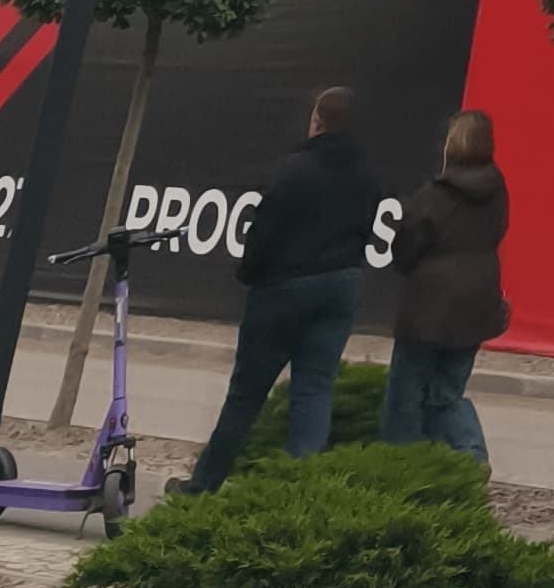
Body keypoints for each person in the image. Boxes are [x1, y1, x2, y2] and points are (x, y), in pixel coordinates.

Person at [178, 84, 375, 492]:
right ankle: (300, 491)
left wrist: (248, 273)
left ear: (317, 121)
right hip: (341, 283)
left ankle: (203, 486)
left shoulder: (294, 170)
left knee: (246, 394)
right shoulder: (366, 174)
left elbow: (264, 233)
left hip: (284, 287)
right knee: (314, 390)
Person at [380, 107, 511, 460]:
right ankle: (471, 454)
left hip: (429, 308)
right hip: (479, 301)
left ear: (450, 145)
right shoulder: (497, 191)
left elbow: (404, 249)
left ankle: (400, 467)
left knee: (404, 397)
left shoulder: (433, 196)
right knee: (447, 394)